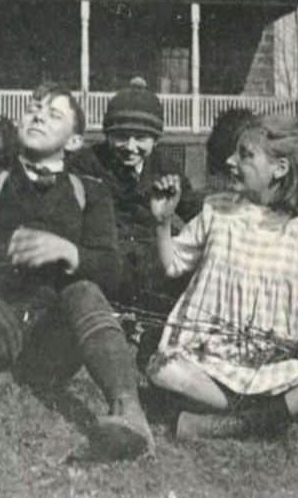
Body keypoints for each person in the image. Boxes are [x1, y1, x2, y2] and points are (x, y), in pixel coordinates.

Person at [0, 82, 155, 460]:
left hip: (56, 334)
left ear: (73, 142)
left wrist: (69, 252)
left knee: (85, 291)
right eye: (34, 108)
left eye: (54, 114)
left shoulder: (90, 191)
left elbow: (111, 270)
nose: (38, 115)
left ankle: (129, 414)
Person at [147, 114, 298, 440]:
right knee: (162, 368)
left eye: (245, 155)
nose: (230, 161)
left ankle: (242, 422)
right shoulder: (217, 211)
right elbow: (173, 264)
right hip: (213, 357)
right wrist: (162, 221)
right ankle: (263, 418)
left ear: (280, 168)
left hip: (282, 360)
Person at [68, 78, 200, 362]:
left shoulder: (165, 167)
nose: (130, 147)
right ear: (107, 135)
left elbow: (198, 214)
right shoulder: (86, 164)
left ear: (155, 139)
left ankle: (153, 329)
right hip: (104, 260)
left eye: (141, 139)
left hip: (150, 263)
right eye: (120, 136)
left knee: (184, 270)